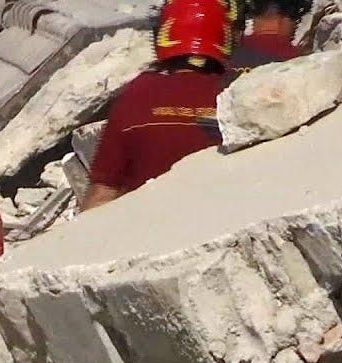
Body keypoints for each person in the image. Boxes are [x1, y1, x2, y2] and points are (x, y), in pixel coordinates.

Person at [81, 0, 233, 210]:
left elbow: (101, 195)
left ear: (165, 34)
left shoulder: (137, 95)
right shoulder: (236, 95)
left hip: (146, 234)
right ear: (224, 36)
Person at [230, 0, 310, 70]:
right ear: (284, 19)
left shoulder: (228, 51)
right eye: (297, 21)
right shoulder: (296, 60)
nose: (296, 27)